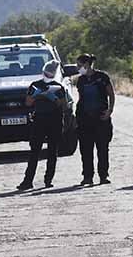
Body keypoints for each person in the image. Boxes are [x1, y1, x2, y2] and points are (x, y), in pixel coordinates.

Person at [17, 59, 67, 191]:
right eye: (47, 72)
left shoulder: (59, 87)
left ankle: (48, 180)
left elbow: (63, 105)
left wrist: (53, 98)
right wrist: (37, 96)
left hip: (54, 121)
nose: (48, 75)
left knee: (52, 151)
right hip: (39, 120)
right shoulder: (34, 85)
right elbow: (28, 103)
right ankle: (27, 181)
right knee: (34, 152)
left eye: (50, 73)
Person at [75, 53, 114, 185]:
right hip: (85, 119)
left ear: (86, 64)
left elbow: (111, 94)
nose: (78, 67)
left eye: (79, 65)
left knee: (102, 148)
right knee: (85, 149)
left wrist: (110, 111)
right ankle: (87, 176)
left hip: (101, 118)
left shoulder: (102, 77)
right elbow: (81, 98)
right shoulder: (80, 80)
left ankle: (103, 176)